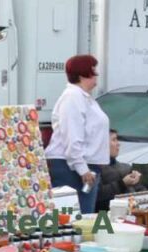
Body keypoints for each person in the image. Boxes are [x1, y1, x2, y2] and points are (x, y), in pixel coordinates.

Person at [45, 54, 110, 214]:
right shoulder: (73, 97)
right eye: (93, 71)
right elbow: (72, 136)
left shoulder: (83, 98)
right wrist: (82, 169)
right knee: (76, 217)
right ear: (83, 74)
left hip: (81, 165)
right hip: (72, 167)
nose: (97, 75)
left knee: (83, 216)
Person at [95, 130, 145, 211]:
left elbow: (141, 192)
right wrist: (122, 183)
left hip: (133, 211)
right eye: (114, 140)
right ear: (102, 144)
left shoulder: (126, 167)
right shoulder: (94, 169)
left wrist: (137, 180)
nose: (118, 143)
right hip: (107, 215)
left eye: (117, 139)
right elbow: (98, 194)